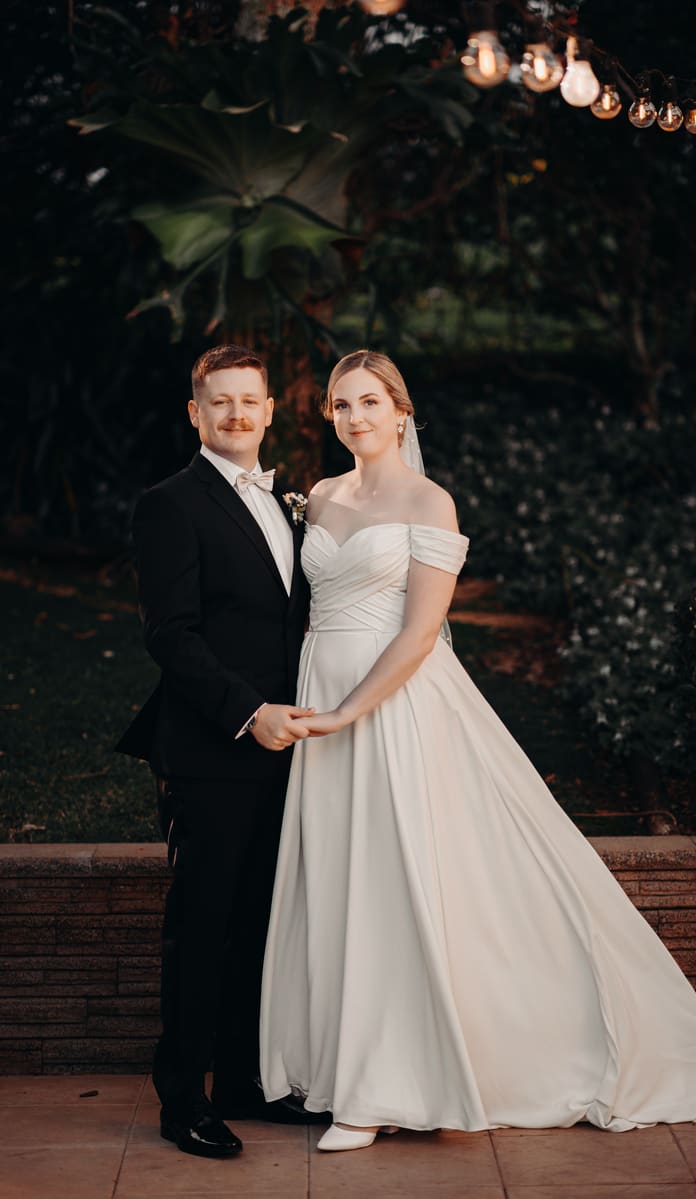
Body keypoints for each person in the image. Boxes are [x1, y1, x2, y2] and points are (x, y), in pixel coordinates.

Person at [258, 349, 696, 1153]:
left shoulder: (431, 500)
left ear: (402, 410)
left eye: (370, 402)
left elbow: (420, 632)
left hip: (395, 705)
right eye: (342, 405)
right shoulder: (319, 495)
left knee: (399, 876)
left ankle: (387, 1084)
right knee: (341, 875)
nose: (355, 417)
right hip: (323, 697)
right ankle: (342, 1063)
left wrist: (350, 711)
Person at [117, 345, 325, 1158]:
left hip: (292, 750)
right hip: (214, 746)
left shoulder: (292, 502)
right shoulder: (170, 503)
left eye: (250, 400)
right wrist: (250, 712)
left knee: (263, 923)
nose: (237, 415)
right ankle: (184, 1102)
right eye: (220, 402)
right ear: (195, 414)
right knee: (202, 926)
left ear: (272, 410)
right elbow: (169, 633)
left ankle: (244, 1081)